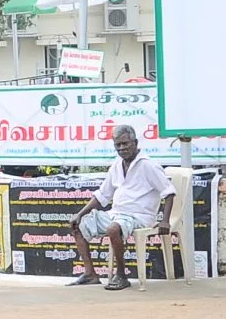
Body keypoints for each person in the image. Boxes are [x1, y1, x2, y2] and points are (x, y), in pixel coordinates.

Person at [69, 123, 175, 291]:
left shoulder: (148, 165)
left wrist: (165, 221)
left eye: (125, 143)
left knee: (113, 228)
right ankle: (90, 274)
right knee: (77, 225)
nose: (122, 148)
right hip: (117, 214)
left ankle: (122, 276)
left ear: (136, 143)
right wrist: (80, 214)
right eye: (118, 145)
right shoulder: (117, 165)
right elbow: (102, 194)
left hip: (139, 217)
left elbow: (169, 192)